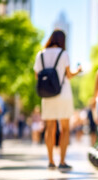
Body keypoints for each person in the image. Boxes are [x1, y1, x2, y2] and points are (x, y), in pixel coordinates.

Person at [33, 30, 82, 170]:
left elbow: (37, 76)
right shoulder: (63, 54)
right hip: (63, 94)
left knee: (49, 128)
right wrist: (78, 71)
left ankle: (50, 161)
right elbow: (69, 75)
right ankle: (62, 161)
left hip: (47, 96)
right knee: (65, 129)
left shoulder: (40, 54)